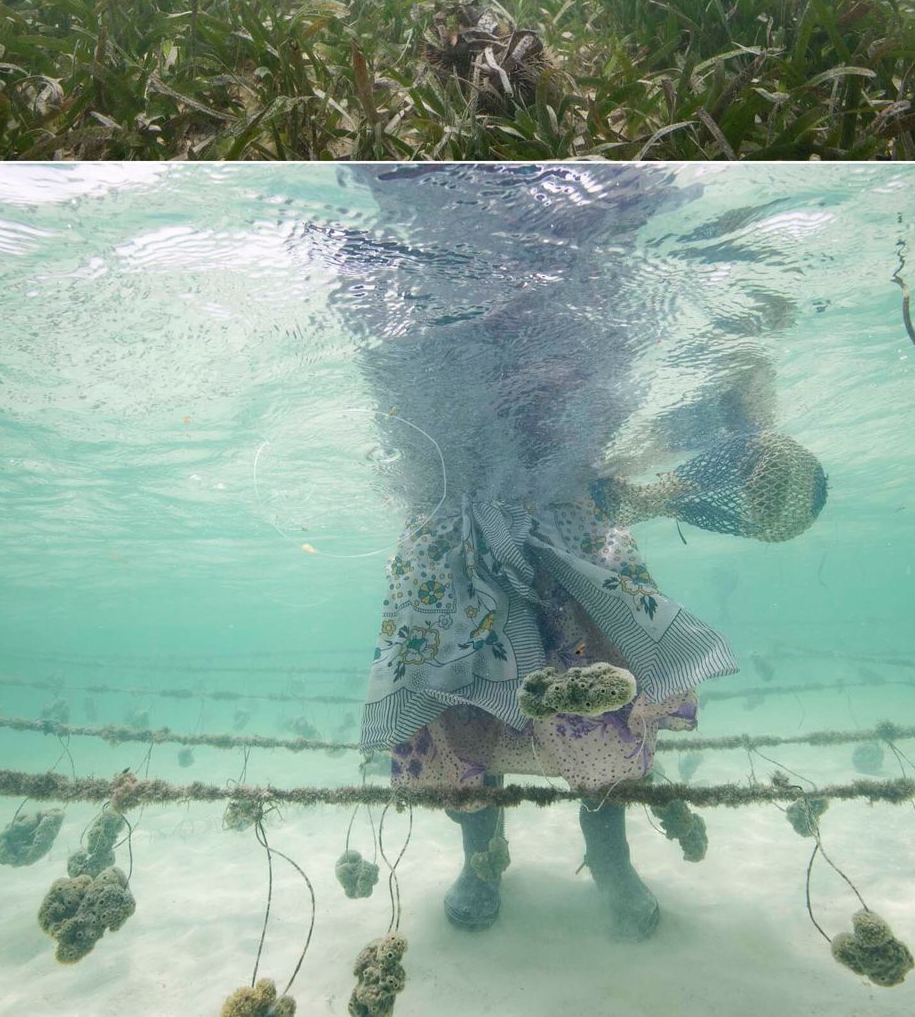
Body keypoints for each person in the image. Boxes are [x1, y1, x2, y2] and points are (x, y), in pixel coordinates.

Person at [337, 167, 827, 941]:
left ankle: (611, 861)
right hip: (450, 535)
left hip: (570, 529)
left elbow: (705, 395)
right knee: (466, 698)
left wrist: (747, 414)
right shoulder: (411, 280)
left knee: (601, 698)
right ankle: (483, 854)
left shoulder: (594, 281)